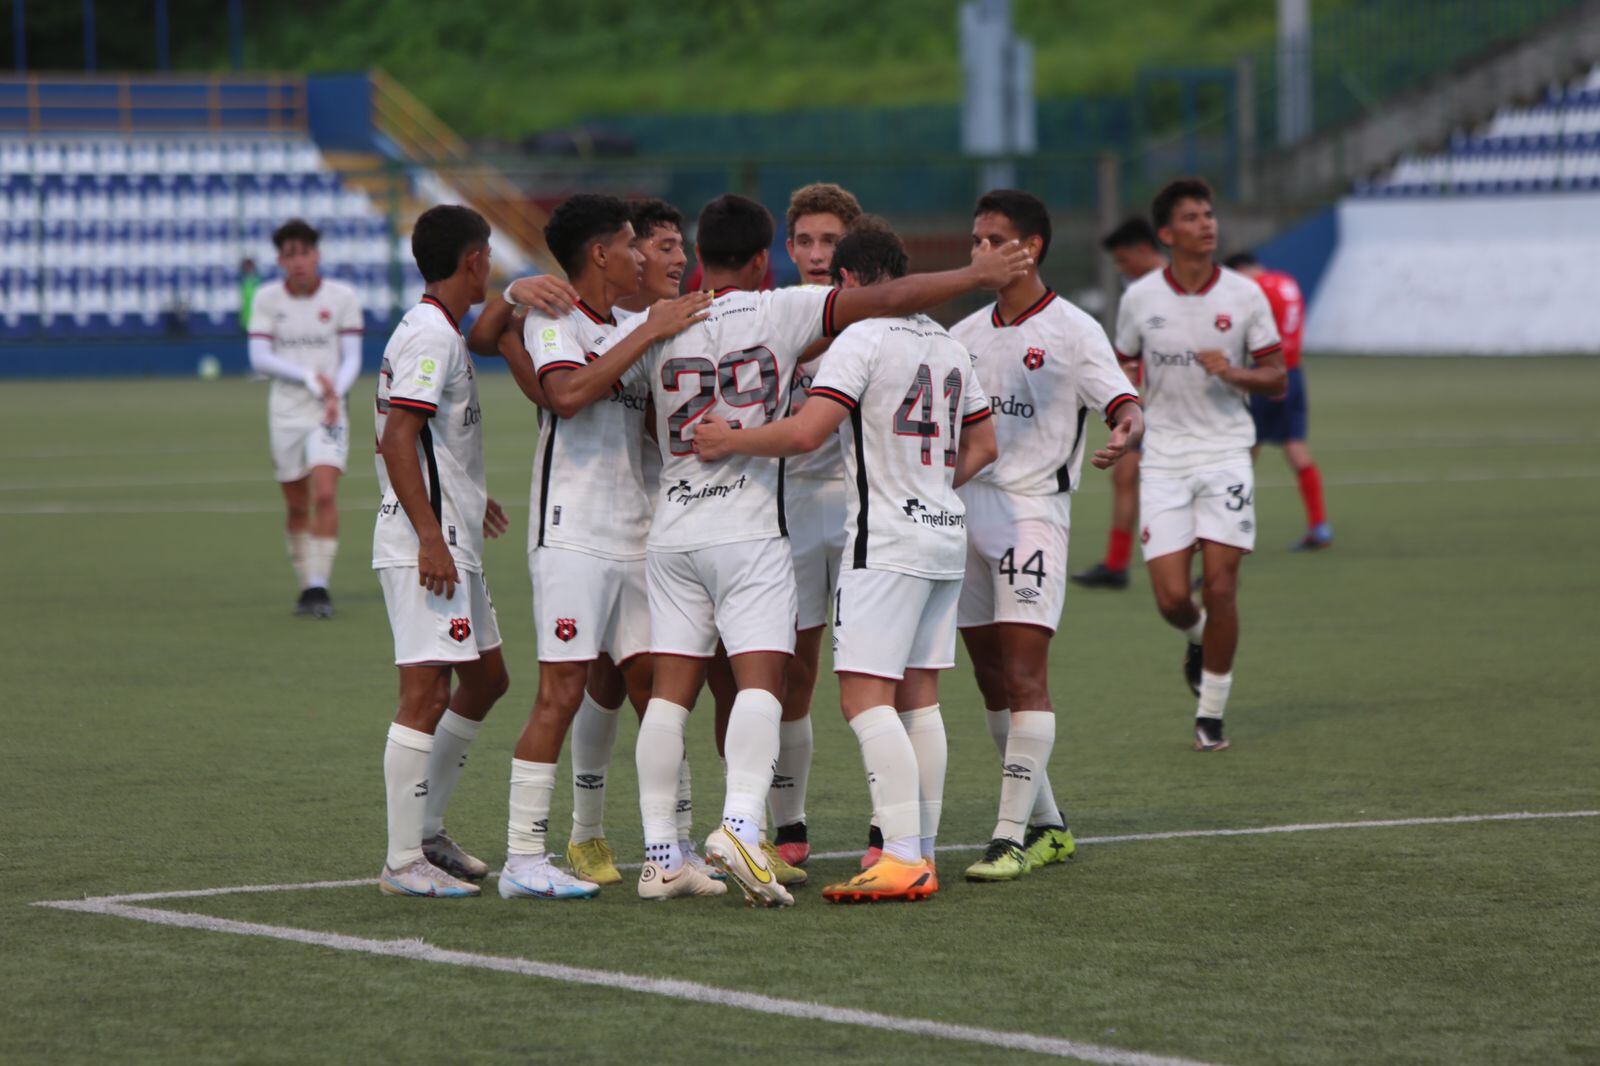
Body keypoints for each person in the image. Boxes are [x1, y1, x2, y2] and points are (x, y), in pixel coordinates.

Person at [620, 193, 1031, 906]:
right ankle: (764, 828)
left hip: (678, 524)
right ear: (765, 257)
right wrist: (976, 274)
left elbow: (605, 403)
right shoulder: (796, 313)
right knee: (796, 686)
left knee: (671, 694)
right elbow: (967, 435)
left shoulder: (653, 325)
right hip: (790, 526)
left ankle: (663, 854)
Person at [493, 195, 715, 901]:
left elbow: (650, 421)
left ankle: (669, 849)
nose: (644, 255)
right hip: (571, 535)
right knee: (560, 692)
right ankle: (523, 858)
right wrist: (648, 333)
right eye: (631, 244)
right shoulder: (553, 319)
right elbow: (566, 396)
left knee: (661, 692)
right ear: (599, 254)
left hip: (636, 534)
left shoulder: (628, 324)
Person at [949, 190, 1144, 883]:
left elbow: (1123, 402)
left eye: (990, 239)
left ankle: (1006, 838)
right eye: (974, 238)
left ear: (1027, 249)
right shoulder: (964, 334)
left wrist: (1125, 431)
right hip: (964, 512)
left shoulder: (1073, 329)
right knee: (990, 680)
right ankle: (1050, 825)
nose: (977, 250)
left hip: (1032, 513)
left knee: (1028, 675)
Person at [1115, 178, 1286, 753]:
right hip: (1163, 459)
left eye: (1209, 214)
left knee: (1220, 584)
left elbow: (1278, 377)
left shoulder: (1245, 295)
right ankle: (1197, 639)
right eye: (1191, 217)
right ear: (1167, 234)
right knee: (1171, 598)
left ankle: (1211, 713)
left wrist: (1234, 373)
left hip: (1225, 453)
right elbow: (1122, 372)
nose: (1206, 224)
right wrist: (1126, 422)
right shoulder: (1140, 298)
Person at [371, 205, 510, 897]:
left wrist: (465, 495)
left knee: (487, 679)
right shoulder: (432, 338)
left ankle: (425, 829)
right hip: (426, 542)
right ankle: (403, 862)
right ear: (473, 260)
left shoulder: (436, 331)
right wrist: (430, 533)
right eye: (487, 254)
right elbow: (399, 439)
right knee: (425, 692)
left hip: (449, 529)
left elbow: (424, 442)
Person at [246, 219, 363, 618]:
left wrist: (333, 393)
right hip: (286, 412)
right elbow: (260, 358)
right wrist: (312, 379)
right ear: (280, 259)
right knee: (296, 504)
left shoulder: (343, 296)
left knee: (326, 492)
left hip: (328, 410)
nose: (298, 262)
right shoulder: (266, 299)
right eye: (289, 254)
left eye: (305, 252)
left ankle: (318, 586)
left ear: (317, 254)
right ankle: (305, 580)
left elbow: (352, 358)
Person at [1071, 217, 1166, 591]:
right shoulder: (1137, 296)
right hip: (1147, 405)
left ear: (1144, 250)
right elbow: (1129, 353)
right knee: (1125, 475)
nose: (1121, 269)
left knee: (1179, 482)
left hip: (1181, 411)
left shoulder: (1179, 288)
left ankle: (1205, 559)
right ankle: (1116, 564)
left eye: (1124, 260)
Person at [1223, 251, 1332, 550]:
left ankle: (1231, 530)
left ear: (1241, 270)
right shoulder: (1287, 282)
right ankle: (1319, 526)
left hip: (1267, 377)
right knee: (1296, 448)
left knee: (1243, 455)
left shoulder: (1256, 290)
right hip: (1294, 374)